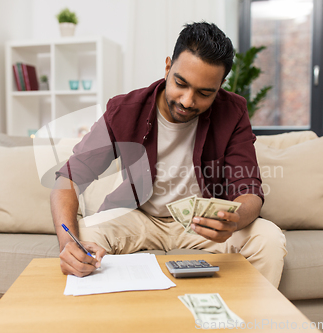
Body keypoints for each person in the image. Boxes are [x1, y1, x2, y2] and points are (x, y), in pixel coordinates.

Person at [50, 22, 287, 287]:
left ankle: (251, 325)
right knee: (86, 236)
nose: (187, 100)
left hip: (201, 223)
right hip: (139, 216)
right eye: (180, 83)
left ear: (219, 87)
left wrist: (233, 220)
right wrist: (67, 242)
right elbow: (68, 180)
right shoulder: (125, 109)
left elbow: (249, 189)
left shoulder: (233, 111)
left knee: (268, 238)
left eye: (204, 93)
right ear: (167, 67)